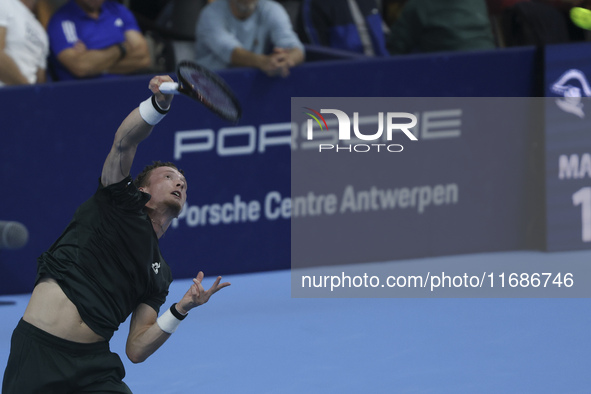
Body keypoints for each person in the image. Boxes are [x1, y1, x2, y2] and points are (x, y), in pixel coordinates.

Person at [2, 75, 231, 393]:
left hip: (93, 368)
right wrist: (158, 105)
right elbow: (124, 141)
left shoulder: (160, 273)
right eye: (168, 177)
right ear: (142, 188)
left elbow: (137, 348)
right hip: (39, 355)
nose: (179, 183)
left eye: (183, 183)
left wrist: (181, 309)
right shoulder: (117, 203)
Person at [46, 0, 152, 81]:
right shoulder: (62, 19)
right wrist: (122, 48)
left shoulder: (117, 9)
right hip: (84, 95)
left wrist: (94, 62)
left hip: (125, 87)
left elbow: (144, 58)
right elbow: (80, 66)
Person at [195, 0, 305, 77]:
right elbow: (230, 52)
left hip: (249, 83)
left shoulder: (271, 9)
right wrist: (264, 62)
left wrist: (287, 60)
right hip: (208, 86)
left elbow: (295, 47)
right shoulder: (210, 14)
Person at [387, 0, 496, 55]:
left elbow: (395, 50)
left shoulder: (419, 5)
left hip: (447, 79)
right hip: (491, 70)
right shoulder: (477, 2)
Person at [296, 0, 390, 56]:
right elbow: (318, 55)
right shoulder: (313, 5)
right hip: (345, 77)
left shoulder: (370, 2)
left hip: (383, 72)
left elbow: (385, 41)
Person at [0, 0, 49, 87]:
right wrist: (27, 88)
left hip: (27, 97)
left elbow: (40, 79)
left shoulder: (41, 32)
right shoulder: (4, 3)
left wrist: (34, 95)